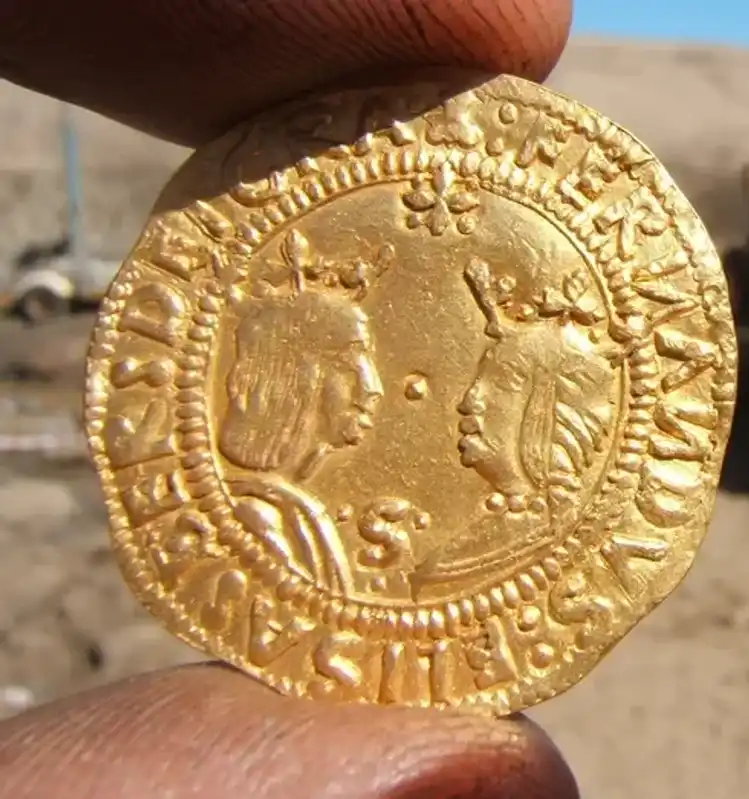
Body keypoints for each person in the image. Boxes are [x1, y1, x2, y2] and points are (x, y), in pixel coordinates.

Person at [0, 1, 581, 797]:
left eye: (496, 381)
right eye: (352, 359)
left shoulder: (323, 536)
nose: (379, 386)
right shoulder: (271, 527)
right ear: (295, 378)